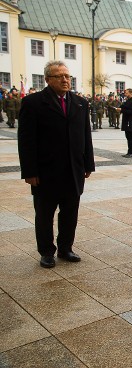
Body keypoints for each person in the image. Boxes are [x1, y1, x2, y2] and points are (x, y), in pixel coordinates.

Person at [17, 61, 95, 268]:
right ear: (48, 79)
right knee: (44, 214)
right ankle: (46, 251)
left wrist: (88, 163)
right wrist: (29, 171)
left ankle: (66, 248)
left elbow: (86, 136)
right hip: (46, 170)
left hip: (73, 169)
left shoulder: (80, 103)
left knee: (70, 212)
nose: (65, 80)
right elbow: (26, 140)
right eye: (59, 76)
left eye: (67, 76)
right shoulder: (33, 103)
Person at [118, 88, 132, 158]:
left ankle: (131, 152)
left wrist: (122, 110)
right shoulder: (128, 101)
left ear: (131, 93)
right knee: (128, 137)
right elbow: (124, 107)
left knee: (131, 137)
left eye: (126, 93)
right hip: (127, 121)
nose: (125, 94)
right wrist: (120, 109)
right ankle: (129, 152)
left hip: (131, 121)